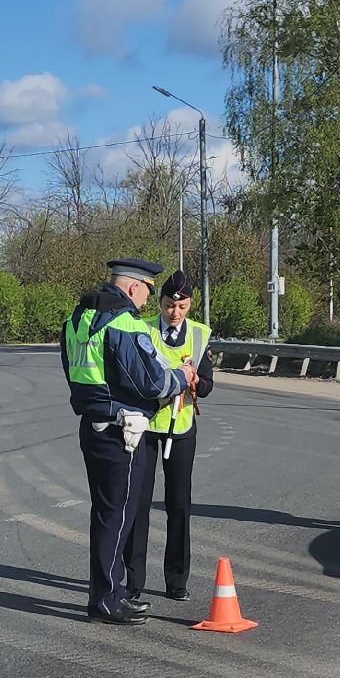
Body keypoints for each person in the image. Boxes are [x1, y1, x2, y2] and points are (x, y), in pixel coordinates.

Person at [61, 258, 197, 624]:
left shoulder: (78, 318)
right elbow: (151, 381)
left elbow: (75, 374)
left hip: (92, 425)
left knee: (105, 514)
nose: (146, 302)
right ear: (135, 287)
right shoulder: (123, 322)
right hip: (123, 430)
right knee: (116, 516)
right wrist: (182, 377)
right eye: (148, 293)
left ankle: (110, 592)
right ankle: (106, 600)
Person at [127, 269, 213, 602]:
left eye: (181, 307)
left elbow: (206, 385)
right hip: (147, 428)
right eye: (167, 305)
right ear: (161, 303)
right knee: (139, 505)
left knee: (179, 505)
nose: (174, 313)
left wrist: (194, 383)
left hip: (182, 429)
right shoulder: (143, 328)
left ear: (190, 305)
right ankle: (133, 582)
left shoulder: (200, 335)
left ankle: (177, 580)